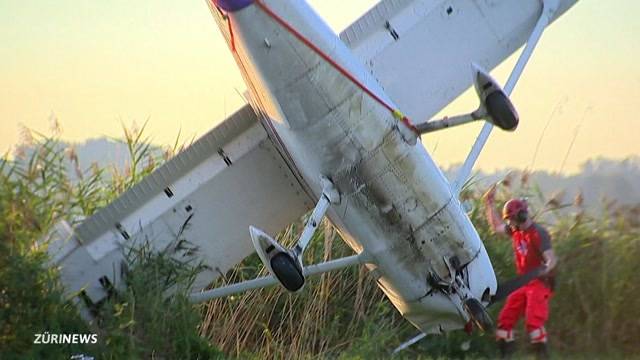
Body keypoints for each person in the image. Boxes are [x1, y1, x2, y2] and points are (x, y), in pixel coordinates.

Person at [483, 185, 558, 359]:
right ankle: (506, 356)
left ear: (521, 216)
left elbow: (552, 259)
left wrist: (546, 267)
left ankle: (542, 356)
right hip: (523, 282)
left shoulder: (539, 233)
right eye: (508, 221)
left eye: (511, 220)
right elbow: (497, 227)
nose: (510, 224)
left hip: (540, 282)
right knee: (504, 322)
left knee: (533, 322)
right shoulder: (516, 230)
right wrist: (489, 204)